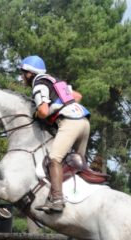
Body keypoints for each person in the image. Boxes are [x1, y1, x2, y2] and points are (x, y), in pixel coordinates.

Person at [19, 55, 91, 213]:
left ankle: (57, 199)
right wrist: (61, 106)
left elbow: (43, 111)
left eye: (23, 72)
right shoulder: (55, 81)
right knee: (77, 164)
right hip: (84, 121)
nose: (21, 77)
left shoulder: (38, 84)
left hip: (70, 123)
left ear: (30, 73)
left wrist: (38, 114)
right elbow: (77, 97)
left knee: (54, 159)